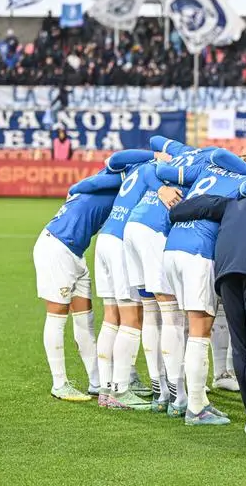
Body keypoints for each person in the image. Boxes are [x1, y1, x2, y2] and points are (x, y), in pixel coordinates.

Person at [153, 150, 246, 425]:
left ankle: (175, 396)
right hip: (200, 253)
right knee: (200, 331)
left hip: (172, 248)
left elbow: (161, 172)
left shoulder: (208, 172)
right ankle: (195, 407)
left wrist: (160, 187)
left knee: (174, 323)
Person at [33, 167, 127, 402]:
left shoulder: (101, 185)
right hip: (57, 247)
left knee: (85, 319)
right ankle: (59, 383)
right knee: (57, 317)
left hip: (76, 253)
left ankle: (96, 381)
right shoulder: (116, 183)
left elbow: (80, 187)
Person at [90, 149, 166, 410]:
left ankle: (105, 388)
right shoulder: (157, 171)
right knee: (133, 318)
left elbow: (112, 159)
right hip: (122, 243)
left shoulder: (136, 168)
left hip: (105, 238)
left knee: (112, 316)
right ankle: (120, 390)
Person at [123, 136, 194, 412]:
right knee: (172, 315)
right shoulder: (198, 168)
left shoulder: (172, 162)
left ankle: (160, 390)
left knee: (151, 312)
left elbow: (153, 153)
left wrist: (160, 180)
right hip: (154, 232)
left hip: (134, 226)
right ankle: (177, 396)